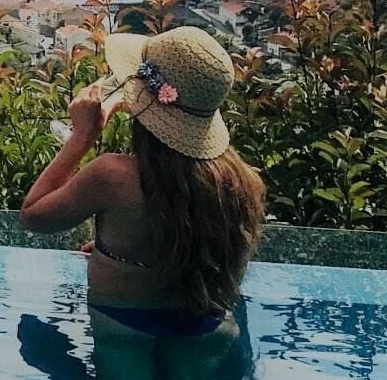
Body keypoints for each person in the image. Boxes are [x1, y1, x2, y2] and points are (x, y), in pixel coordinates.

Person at [18, 25, 267, 339]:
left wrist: (82, 137)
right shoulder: (241, 180)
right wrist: (117, 248)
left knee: (35, 343)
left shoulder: (112, 175)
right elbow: (187, 233)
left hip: (125, 325)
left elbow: (34, 217)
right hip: (213, 326)